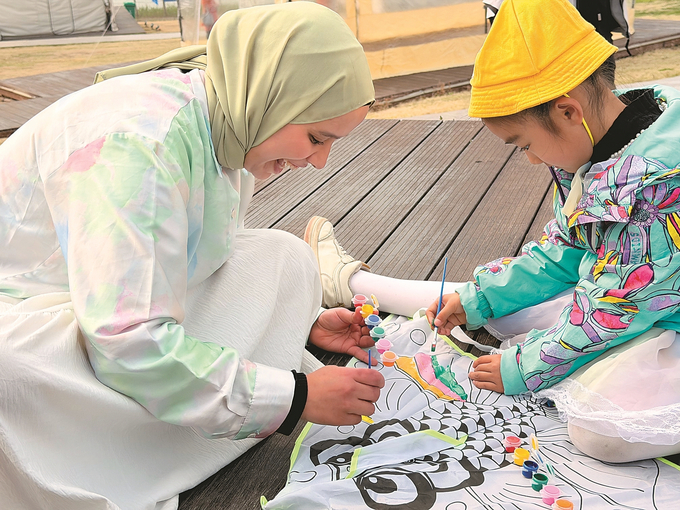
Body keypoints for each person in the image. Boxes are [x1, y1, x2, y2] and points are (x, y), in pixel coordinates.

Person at [0, 3, 384, 508]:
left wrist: (303, 320)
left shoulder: (227, 120)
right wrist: (296, 398)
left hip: (107, 314)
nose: (319, 161)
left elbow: (191, 260)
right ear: (273, 95)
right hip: (35, 318)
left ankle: (180, 426)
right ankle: (131, 454)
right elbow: (127, 340)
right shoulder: (138, 144)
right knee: (14, 368)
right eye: (316, 138)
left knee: (287, 258)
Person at [303, 0, 680, 463]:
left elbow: (611, 313)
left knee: (600, 431)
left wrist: (524, 368)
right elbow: (565, 252)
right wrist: (478, 299)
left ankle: (352, 283)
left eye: (523, 144)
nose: (532, 160)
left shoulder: (656, 187)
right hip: (639, 301)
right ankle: (353, 283)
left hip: (651, 314)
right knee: (502, 310)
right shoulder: (603, 143)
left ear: (567, 111)